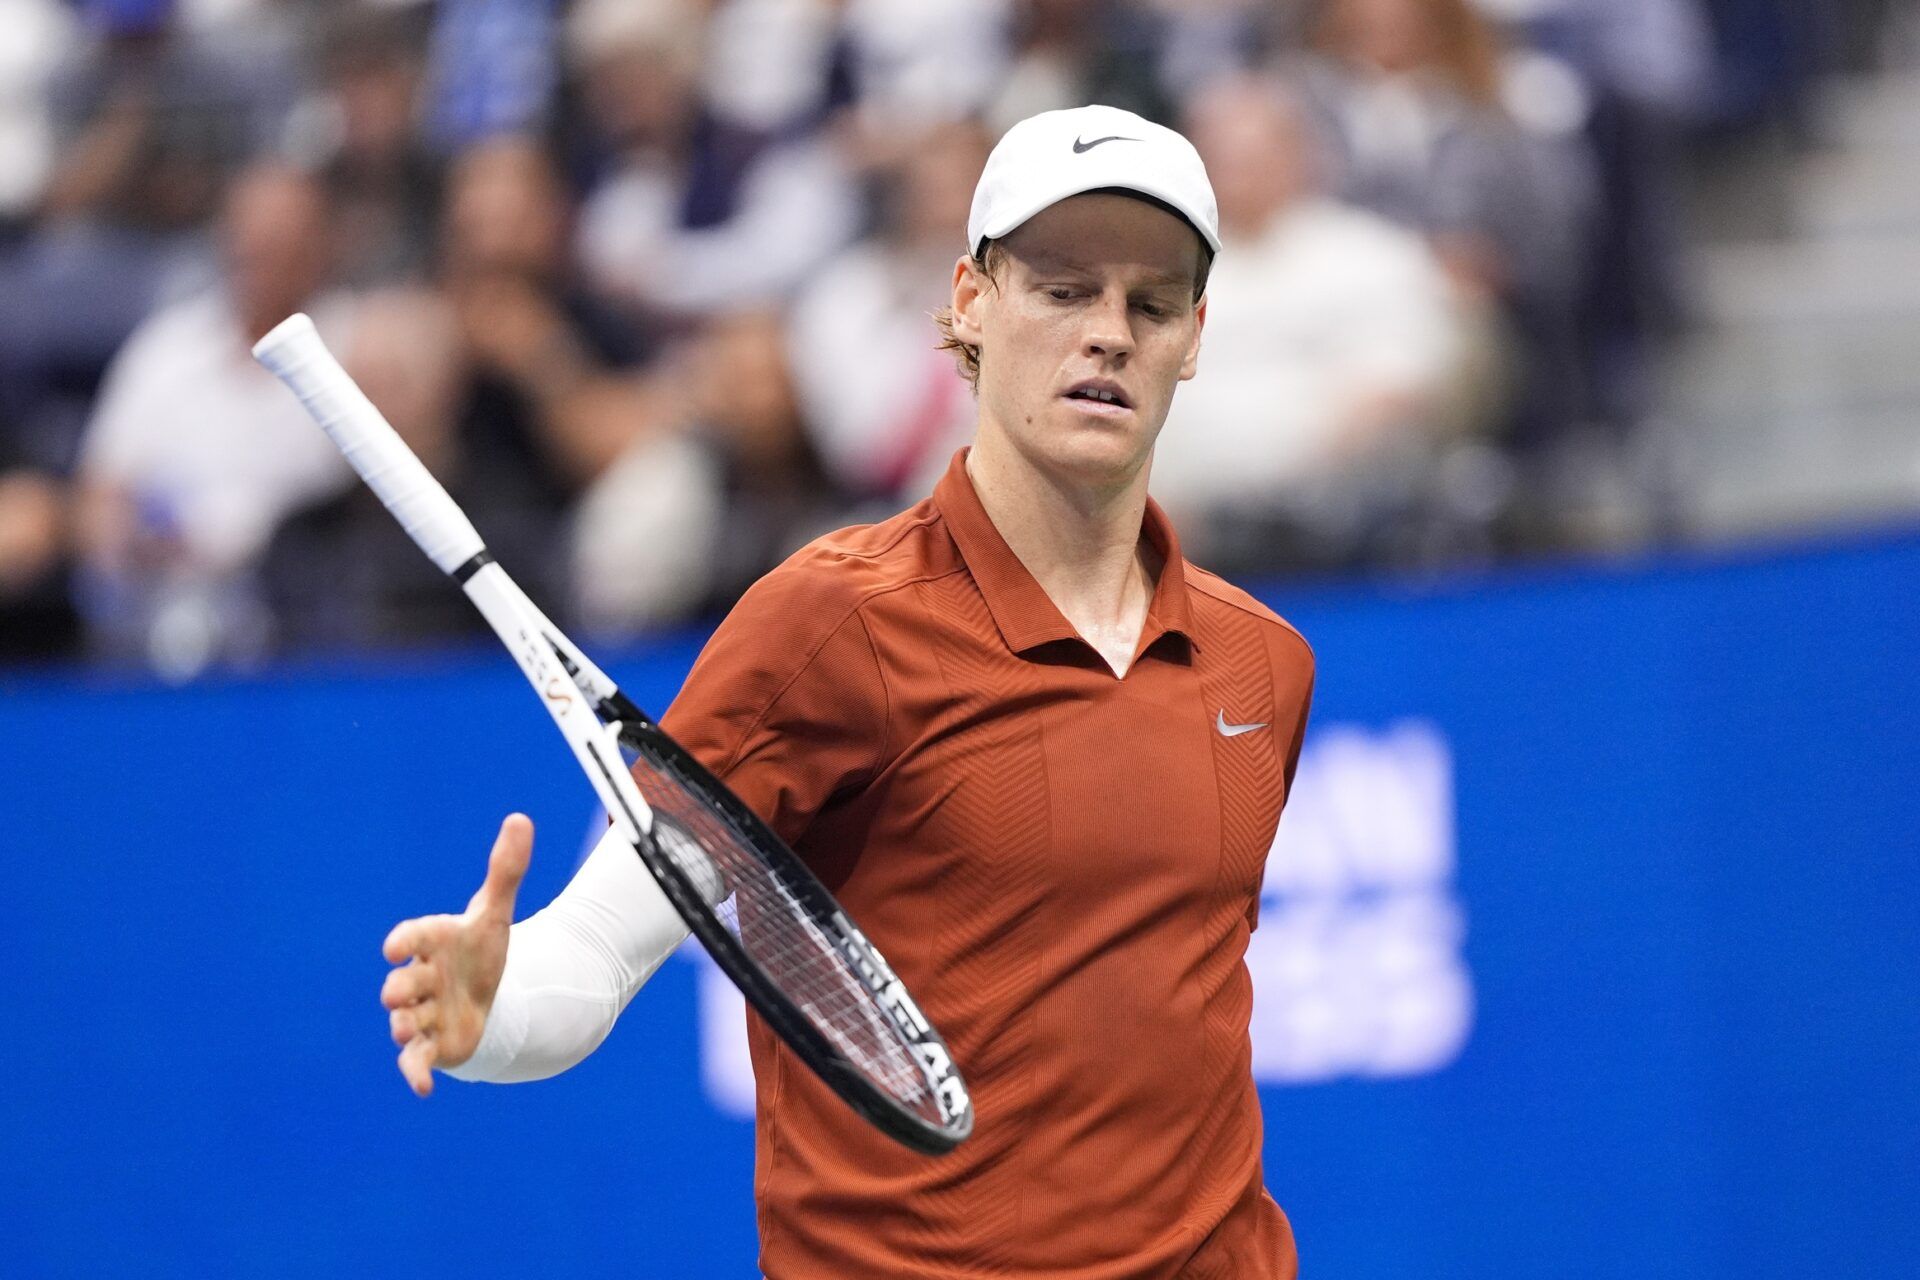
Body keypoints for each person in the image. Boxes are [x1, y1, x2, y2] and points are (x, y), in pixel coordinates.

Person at [379, 105, 1315, 1278]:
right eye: (1064, 289)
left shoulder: (1262, 663)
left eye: (1152, 302)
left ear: (1194, 336)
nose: (1110, 334)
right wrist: (496, 1009)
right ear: (972, 302)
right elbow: (603, 947)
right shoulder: (830, 622)